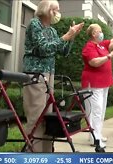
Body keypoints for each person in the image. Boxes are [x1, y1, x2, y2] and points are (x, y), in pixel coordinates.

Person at [22, 0, 84, 152]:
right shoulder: (34, 24)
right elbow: (43, 48)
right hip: (35, 73)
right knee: (36, 115)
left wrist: (72, 37)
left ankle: (47, 151)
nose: (58, 13)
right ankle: (33, 153)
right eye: (55, 9)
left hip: (49, 73)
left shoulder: (52, 30)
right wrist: (65, 36)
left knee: (47, 115)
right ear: (46, 10)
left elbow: (63, 51)